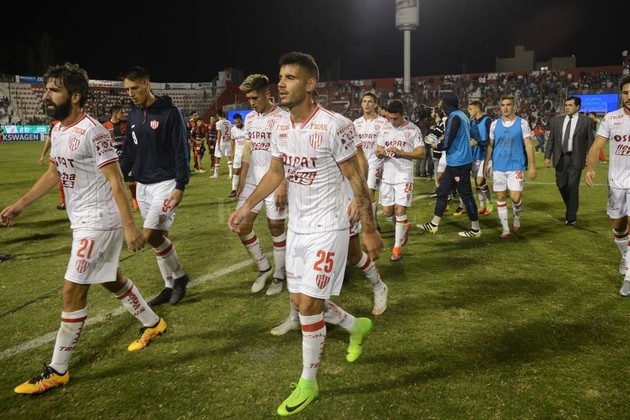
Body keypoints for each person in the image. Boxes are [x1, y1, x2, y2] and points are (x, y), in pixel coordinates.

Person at [228, 51, 383, 416]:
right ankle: (355, 325)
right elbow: (275, 173)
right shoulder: (279, 127)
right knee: (300, 304)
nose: (281, 84)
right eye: (280, 77)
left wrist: (370, 228)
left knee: (310, 306)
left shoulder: (334, 125)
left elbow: (355, 177)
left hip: (330, 226)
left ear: (311, 84)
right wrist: (246, 206)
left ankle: (308, 383)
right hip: (298, 226)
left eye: (290, 78)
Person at [1, 63, 166, 395]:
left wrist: (129, 226)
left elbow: (116, 181)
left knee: (72, 290)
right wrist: (20, 204)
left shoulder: (93, 132)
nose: (46, 95)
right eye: (46, 89)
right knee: (110, 278)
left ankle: (57, 370)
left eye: (54, 90)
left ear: (75, 96)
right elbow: (54, 173)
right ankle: (153, 323)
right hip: (81, 221)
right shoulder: (58, 130)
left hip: (100, 222)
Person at [119, 66, 190, 306]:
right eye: (127, 89)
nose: (131, 93)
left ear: (147, 84)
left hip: (166, 184)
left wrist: (180, 185)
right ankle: (169, 286)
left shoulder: (170, 113)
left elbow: (181, 150)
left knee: (149, 235)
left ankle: (180, 276)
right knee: (160, 238)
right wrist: (117, 175)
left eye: (135, 88)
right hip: (143, 185)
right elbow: (129, 152)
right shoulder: (133, 115)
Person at [235, 74, 288, 296]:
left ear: (267, 94)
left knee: (275, 226)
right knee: (241, 225)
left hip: (275, 178)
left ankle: (279, 274)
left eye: (255, 98)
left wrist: (282, 184)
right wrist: (241, 178)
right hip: (253, 179)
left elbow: (288, 154)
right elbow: (248, 149)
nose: (252, 103)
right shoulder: (249, 118)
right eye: (248, 99)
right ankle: (264, 268)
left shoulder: (283, 118)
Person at [585, 74, 630, 295]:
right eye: (626, 92)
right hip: (616, 183)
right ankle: (625, 256)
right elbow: (596, 147)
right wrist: (590, 169)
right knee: (619, 227)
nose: (629, 96)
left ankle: (629, 279)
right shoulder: (612, 118)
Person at [418, 92, 481, 238]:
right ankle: (434, 224)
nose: (441, 106)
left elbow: (447, 143)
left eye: (443, 103)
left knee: (466, 195)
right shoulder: (462, 115)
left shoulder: (453, 117)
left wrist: (436, 145)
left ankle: (475, 229)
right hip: (457, 161)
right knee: (442, 191)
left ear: (447, 104)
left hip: (458, 162)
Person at [375, 99, 424, 261]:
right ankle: (404, 226)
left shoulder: (413, 130)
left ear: (402, 115)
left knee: (399, 210)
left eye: (395, 118)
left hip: (404, 175)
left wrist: (401, 153)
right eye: (389, 118)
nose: (392, 121)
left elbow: (421, 153)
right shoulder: (384, 129)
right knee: (387, 212)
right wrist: (380, 152)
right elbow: (378, 149)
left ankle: (397, 249)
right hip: (387, 175)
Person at [483, 94, 537, 238]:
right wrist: (486, 163)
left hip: (516, 165)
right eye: (502, 105)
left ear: (514, 107)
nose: (505, 108)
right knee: (500, 196)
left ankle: (516, 216)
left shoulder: (522, 123)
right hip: (499, 165)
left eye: (508, 105)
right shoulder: (494, 124)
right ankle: (505, 229)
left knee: (515, 198)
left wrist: (532, 166)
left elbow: (528, 145)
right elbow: (490, 145)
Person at [544, 96, 594, 226]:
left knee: (572, 186)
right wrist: (547, 156)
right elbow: (551, 140)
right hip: (560, 158)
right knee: (561, 185)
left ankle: (571, 217)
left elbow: (591, 143)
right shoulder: (556, 121)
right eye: (566, 105)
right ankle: (572, 205)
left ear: (578, 107)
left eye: (570, 105)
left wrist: (590, 160)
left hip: (576, 158)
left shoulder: (587, 121)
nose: (567, 107)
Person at [353, 92, 388, 230]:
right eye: (364, 101)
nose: (367, 104)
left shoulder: (383, 122)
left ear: (375, 104)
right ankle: (373, 220)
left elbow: (388, 140)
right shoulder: (356, 123)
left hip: (375, 161)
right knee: (361, 192)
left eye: (370, 101)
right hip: (360, 163)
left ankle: (372, 225)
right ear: (361, 104)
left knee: (369, 191)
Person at [102, 105, 138, 210]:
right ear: (114, 114)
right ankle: (115, 203)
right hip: (112, 158)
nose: (124, 114)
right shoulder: (105, 126)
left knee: (132, 180)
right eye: (121, 112)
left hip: (126, 157)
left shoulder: (127, 124)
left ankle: (135, 200)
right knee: (115, 181)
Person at [465, 99, 494, 215]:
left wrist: (478, 143)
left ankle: (490, 202)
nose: (468, 111)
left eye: (470, 109)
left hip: (485, 155)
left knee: (480, 180)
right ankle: (482, 205)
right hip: (474, 155)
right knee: (477, 183)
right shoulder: (472, 123)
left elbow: (491, 140)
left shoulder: (488, 120)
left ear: (477, 109)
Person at [39, 118, 66, 210]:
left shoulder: (59, 122)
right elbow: (50, 140)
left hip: (70, 156)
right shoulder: (55, 123)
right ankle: (64, 202)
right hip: (59, 157)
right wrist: (42, 155)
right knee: (62, 181)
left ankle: (65, 202)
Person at [228, 113, 247, 198]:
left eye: (238, 122)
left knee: (249, 171)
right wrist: (232, 151)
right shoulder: (233, 130)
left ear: (241, 120)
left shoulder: (247, 128)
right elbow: (232, 140)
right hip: (238, 153)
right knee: (236, 171)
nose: (237, 124)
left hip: (248, 152)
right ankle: (234, 190)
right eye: (235, 123)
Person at [212, 110, 232, 179]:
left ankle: (215, 174)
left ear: (217, 115)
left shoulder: (218, 123)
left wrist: (218, 143)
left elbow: (219, 133)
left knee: (217, 157)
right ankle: (230, 174)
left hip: (221, 141)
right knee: (228, 157)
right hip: (228, 141)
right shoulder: (229, 122)